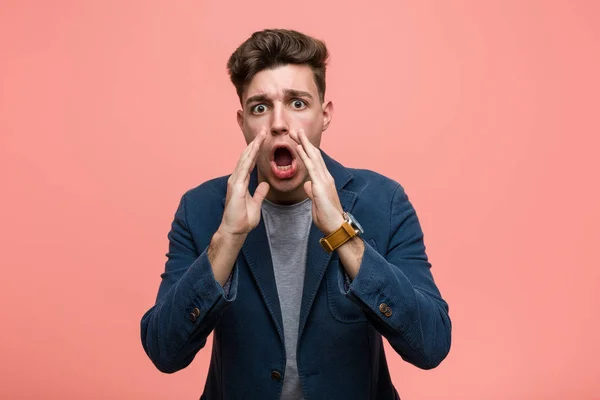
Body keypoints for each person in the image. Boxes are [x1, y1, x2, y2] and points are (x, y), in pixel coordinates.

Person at [140, 28, 451, 400]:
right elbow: (164, 352)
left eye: (298, 103)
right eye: (260, 107)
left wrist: (342, 234)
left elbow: (431, 344)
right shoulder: (201, 208)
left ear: (325, 114)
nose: (278, 123)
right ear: (242, 122)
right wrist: (227, 240)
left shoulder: (383, 200)